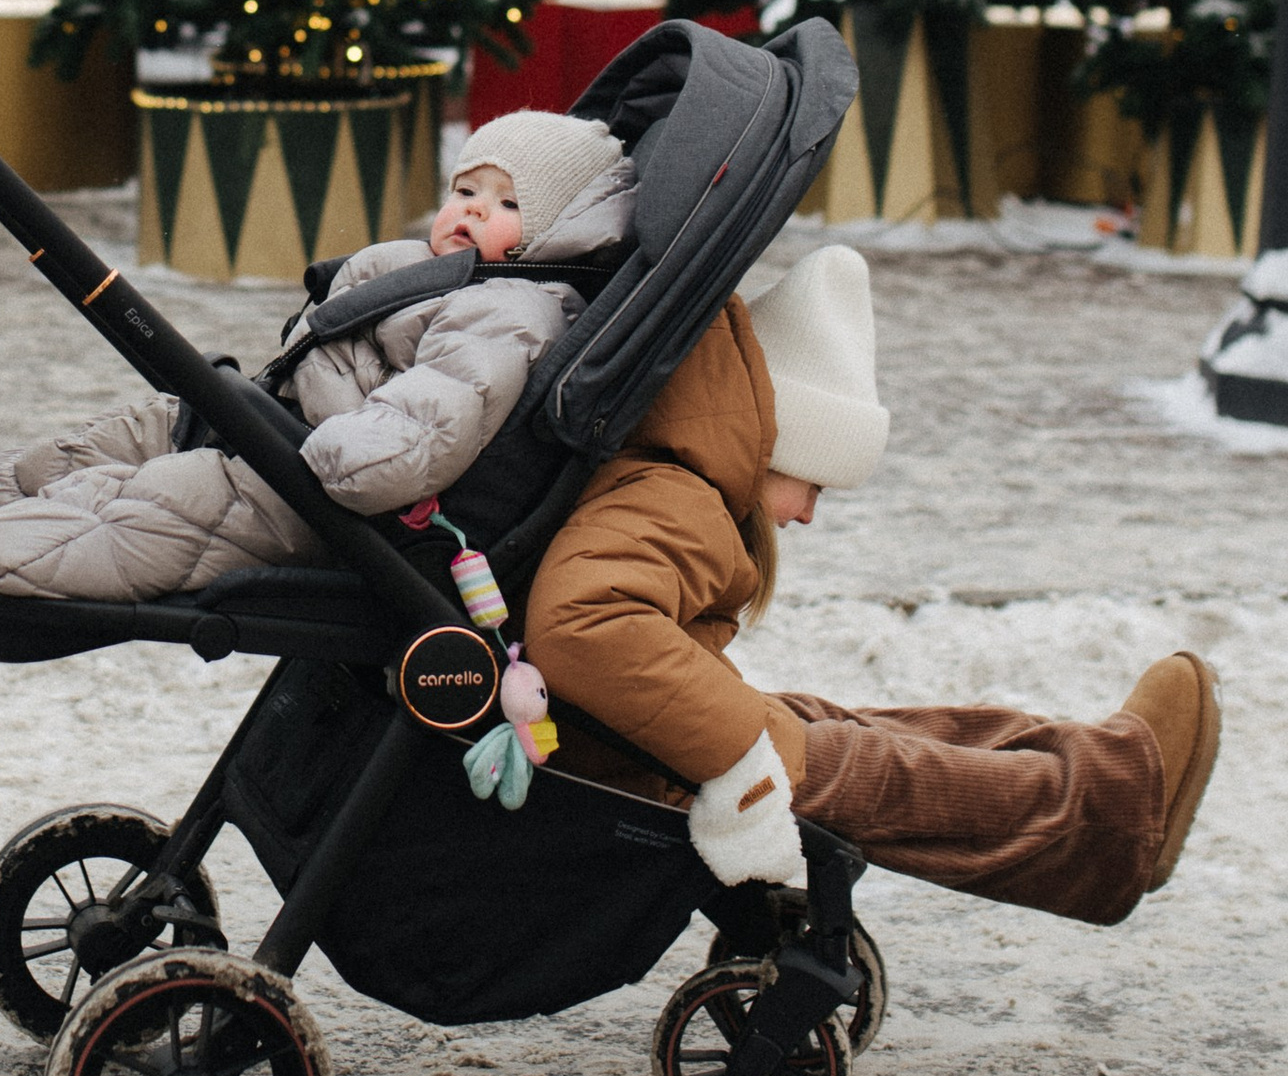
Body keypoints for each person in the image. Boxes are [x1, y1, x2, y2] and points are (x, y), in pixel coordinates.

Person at [523, 243, 1222, 920]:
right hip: (618, 771)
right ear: (781, 440)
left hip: (616, 747)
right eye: (815, 483)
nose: (807, 515)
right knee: (877, 774)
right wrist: (749, 753)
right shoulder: (681, 494)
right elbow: (584, 625)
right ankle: (1113, 814)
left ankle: (1097, 768)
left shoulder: (681, 477)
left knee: (838, 726)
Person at [0, 109, 634, 602]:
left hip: (315, 491)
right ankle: (23, 502)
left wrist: (328, 443)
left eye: (509, 202)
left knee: (156, 505)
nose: (475, 211)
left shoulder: (508, 311)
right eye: (465, 191)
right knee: (63, 460)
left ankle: (25, 543)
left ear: (554, 232)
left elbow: (424, 427)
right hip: (275, 419)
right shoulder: (441, 269)